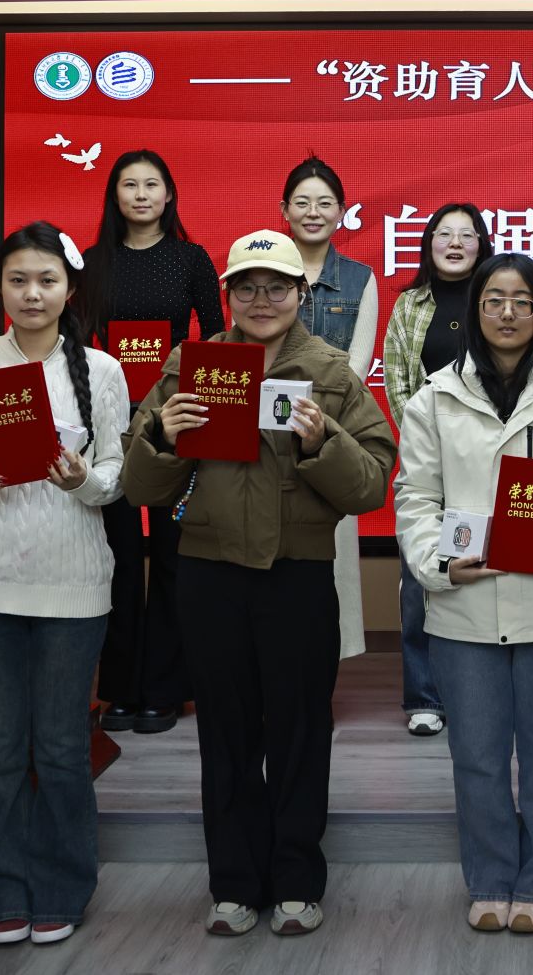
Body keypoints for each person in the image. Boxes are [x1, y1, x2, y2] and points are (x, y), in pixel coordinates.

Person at [121, 231, 397, 939]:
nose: (262, 300)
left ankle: (298, 879)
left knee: (300, 729)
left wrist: (322, 443)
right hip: (209, 575)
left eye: (277, 286)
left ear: (301, 293)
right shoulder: (192, 365)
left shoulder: (329, 371)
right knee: (226, 730)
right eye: (246, 287)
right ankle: (235, 883)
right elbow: (139, 485)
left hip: (296, 577)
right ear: (227, 296)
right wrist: (163, 437)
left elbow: (372, 484)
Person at [394, 254, 533, 934]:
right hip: (465, 605)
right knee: (477, 758)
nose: (508, 313)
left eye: (523, 301)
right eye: (494, 299)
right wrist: (436, 562)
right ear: (475, 310)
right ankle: (490, 878)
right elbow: (416, 497)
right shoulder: (434, 398)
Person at [0, 221, 128, 946]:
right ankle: (2, 889)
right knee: (0, 749)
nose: (32, 293)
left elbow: (117, 475)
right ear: (0, 289)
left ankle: (64, 886)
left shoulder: (102, 370)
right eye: (18, 280)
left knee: (63, 749)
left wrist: (83, 481)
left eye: (46, 280)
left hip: (72, 586)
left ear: (70, 291)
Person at [78, 149, 223, 736]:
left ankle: (164, 687)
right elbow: (76, 345)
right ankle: (120, 687)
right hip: (108, 424)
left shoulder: (191, 258)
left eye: (151, 184)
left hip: (175, 421)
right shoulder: (92, 262)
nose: (141, 194)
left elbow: (216, 338)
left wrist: (199, 413)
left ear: (168, 195)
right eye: (129, 185)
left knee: (170, 555)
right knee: (115, 557)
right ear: (115, 195)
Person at [380, 202, 493, 735]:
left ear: (482, 244)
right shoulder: (410, 304)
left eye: (466, 235)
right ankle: (424, 697)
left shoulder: (497, 299)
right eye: (444, 234)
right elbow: (398, 382)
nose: (455, 244)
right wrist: (432, 445)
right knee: (421, 579)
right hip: (430, 463)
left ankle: (483, 692)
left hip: (493, 459)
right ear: (428, 244)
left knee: (488, 572)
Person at [282, 154, 378, 662]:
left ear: (342, 211)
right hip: (268, 432)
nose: (313, 212)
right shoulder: (266, 271)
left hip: (332, 434)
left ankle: (326, 668)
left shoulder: (361, 279)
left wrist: (316, 419)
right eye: (302, 202)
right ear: (285, 209)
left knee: (333, 557)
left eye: (324, 203)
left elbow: (355, 368)